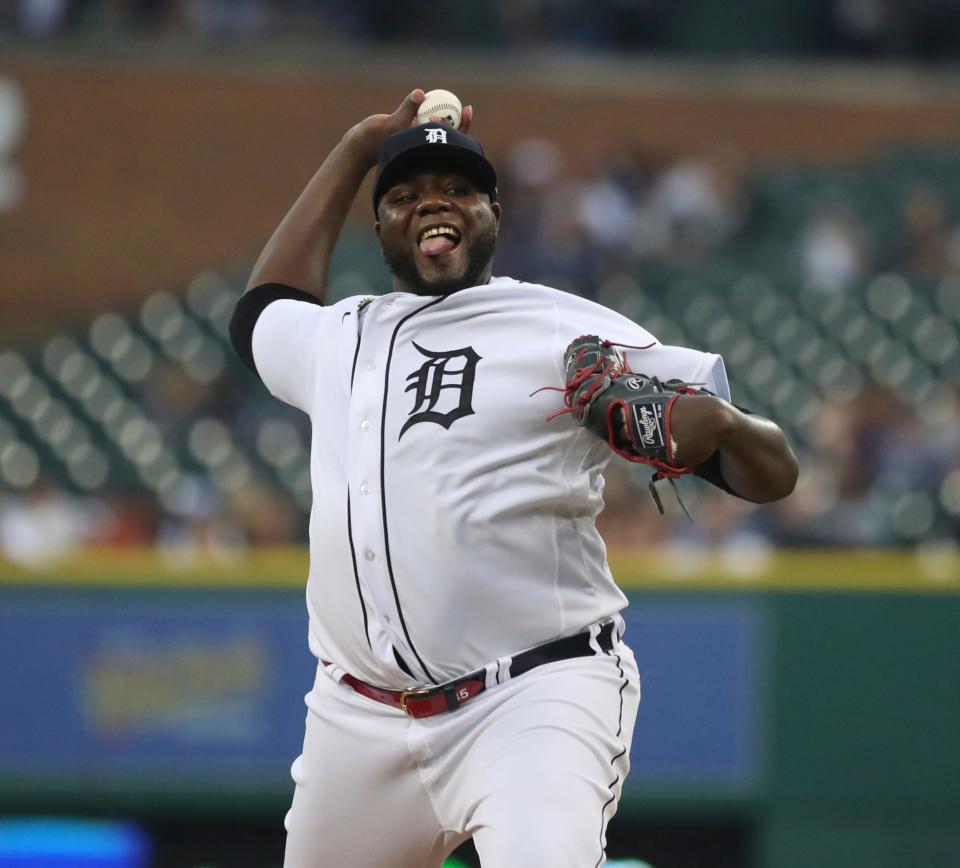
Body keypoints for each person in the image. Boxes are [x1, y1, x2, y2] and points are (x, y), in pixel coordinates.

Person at [229, 90, 798, 868]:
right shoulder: (340, 336)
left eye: (458, 190)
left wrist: (726, 427)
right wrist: (360, 146)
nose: (434, 204)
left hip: (531, 697)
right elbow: (262, 312)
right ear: (381, 227)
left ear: (493, 212)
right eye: (405, 195)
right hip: (356, 721)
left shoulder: (564, 326)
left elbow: (772, 475)